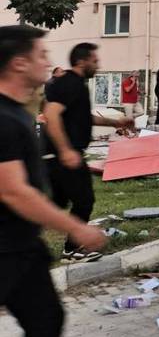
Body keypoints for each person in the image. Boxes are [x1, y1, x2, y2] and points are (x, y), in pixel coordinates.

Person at [0, 26, 108, 337]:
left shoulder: (17, 110)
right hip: (5, 249)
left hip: (21, 245)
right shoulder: (4, 118)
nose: (48, 62)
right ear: (19, 63)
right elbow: (13, 191)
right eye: (41, 55)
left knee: (46, 319)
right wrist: (77, 228)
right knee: (45, 320)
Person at [42, 42, 132, 260]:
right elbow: (51, 115)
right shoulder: (69, 83)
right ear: (82, 61)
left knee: (54, 203)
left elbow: (83, 117)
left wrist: (116, 122)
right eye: (94, 61)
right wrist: (65, 150)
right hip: (64, 155)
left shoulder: (78, 85)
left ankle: (17, 236)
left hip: (62, 156)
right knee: (84, 200)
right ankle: (71, 248)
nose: (98, 65)